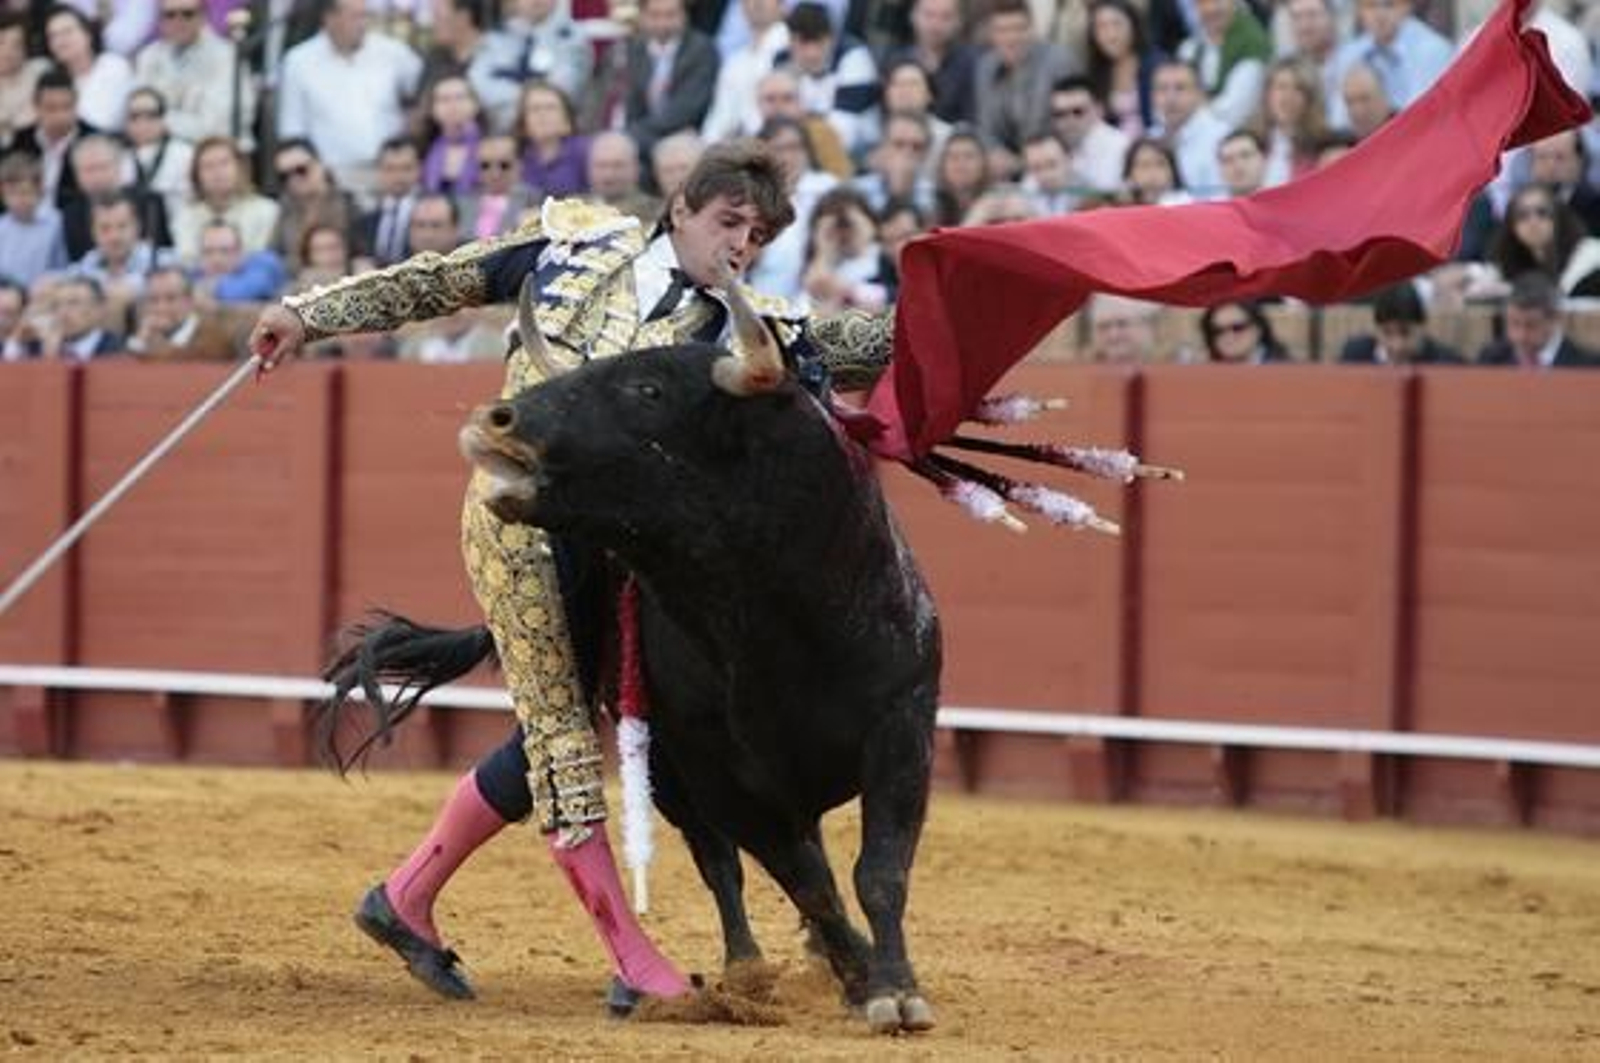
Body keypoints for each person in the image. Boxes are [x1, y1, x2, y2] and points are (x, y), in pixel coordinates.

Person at [245, 139, 894, 1010]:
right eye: (728, 221)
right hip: (516, 514)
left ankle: (405, 897)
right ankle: (633, 959)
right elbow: (437, 279)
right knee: (563, 741)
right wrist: (309, 311)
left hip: (621, 547)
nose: (740, 243)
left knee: (594, 733)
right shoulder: (574, 244)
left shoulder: (739, 327)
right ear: (681, 209)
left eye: (758, 234)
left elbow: (852, 346)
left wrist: (972, 314)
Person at [1476, 271, 1599, 369]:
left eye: (1531, 325)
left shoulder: (1587, 366)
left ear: (1555, 319)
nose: (1520, 336)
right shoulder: (1491, 360)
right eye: (1514, 323)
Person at [1338, 280, 1464, 364]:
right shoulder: (1355, 356)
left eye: (1406, 333)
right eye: (1387, 333)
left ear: (1422, 327)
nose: (1397, 345)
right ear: (1375, 329)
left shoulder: (1447, 363)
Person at [0, 151, 68, 286]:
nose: (18, 200)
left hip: (43, 296)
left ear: (40, 191)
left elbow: (64, 266)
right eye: (11, 194)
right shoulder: (2, 226)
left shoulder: (56, 223)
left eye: (25, 192)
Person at [1199, 299, 1290, 362]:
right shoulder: (1211, 374)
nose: (1228, 336)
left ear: (1258, 328)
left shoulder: (1285, 370)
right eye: (1217, 331)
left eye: (1237, 328)